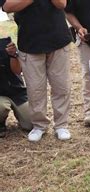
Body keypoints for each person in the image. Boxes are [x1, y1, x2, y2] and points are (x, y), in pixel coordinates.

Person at [3, 0, 73, 142]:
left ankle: (61, 125)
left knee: (61, 86)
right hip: (29, 43)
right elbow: (8, 7)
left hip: (58, 39)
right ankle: (39, 125)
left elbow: (61, 4)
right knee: (35, 89)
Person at [0, 38, 32, 138]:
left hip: (17, 92)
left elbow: (17, 71)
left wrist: (13, 55)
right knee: (1, 107)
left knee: (31, 124)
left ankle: (21, 114)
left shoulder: (5, 44)